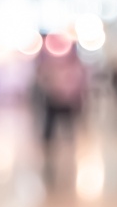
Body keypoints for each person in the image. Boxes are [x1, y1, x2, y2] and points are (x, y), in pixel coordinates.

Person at [36, 43, 88, 183]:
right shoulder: (54, 66)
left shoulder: (75, 68)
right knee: (51, 124)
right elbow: (46, 79)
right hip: (55, 98)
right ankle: (48, 145)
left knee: (67, 123)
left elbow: (79, 83)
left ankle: (67, 142)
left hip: (67, 100)